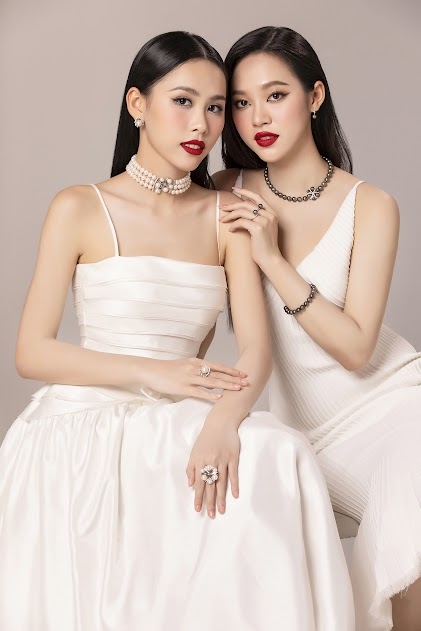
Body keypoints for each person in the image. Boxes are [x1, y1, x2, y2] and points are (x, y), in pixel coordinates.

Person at [0, 31, 354, 631]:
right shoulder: (78, 207)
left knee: (279, 451)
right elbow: (31, 353)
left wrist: (223, 421)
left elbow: (256, 350)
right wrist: (157, 374)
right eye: (183, 102)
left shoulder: (226, 216)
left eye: (215, 107)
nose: (202, 125)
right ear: (137, 104)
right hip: (84, 417)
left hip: (184, 414)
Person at [214, 24, 421, 631]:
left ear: (315, 96)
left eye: (275, 95)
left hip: (394, 410)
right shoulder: (226, 192)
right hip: (297, 432)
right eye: (242, 102)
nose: (258, 117)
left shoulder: (371, 205)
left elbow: (356, 348)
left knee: (413, 541)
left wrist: (273, 259)